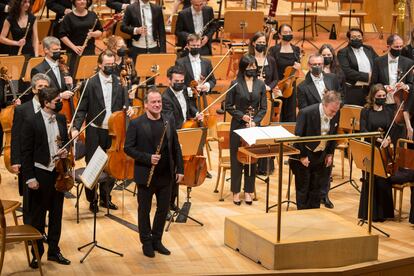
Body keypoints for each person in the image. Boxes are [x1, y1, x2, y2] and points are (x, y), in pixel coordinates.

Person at [124, 87, 184, 258]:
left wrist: (180, 168)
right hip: (146, 174)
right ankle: (146, 242)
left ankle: (157, 240)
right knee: (144, 211)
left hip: (166, 174)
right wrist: (147, 158)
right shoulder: (136, 123)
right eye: (154, 102)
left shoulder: (168, 121)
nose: (157, 105)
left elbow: (175, 147)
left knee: (163, 210)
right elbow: (128, 148)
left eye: (159, 102)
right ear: (146, 105)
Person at [72, 50, 130, 212]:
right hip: (95, 131)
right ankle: (92, 199)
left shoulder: (120, 82)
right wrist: (76, 127)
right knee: (93, 166)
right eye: (108, 65)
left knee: (111, 166)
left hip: (113, 133)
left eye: (113, 64)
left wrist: (129, 108)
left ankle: (106, 197)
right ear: (99, 65)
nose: (111, 67)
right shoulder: (90, 83)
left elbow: (124, 107)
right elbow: (82, 109)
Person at [20, 87, 71, 268]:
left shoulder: (61, 119)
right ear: (46, 103)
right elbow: (25, 153)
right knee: (38, 217)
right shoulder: (31, 121)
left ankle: (54, 251)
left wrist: (66, 152)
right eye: (57, 101)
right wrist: (30, 178)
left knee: (56, 214)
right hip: (40, 173)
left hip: (57, 173)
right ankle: (37, 252)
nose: (60, 103)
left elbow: (64, 142)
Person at [225, 54, 267, 205]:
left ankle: (249, 191)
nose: (252, 69)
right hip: (238, 126)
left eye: (254, 66)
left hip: (253, 127)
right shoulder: (235, 83)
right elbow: (228, 105)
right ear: (243, 68)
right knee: (236, 159)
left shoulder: (260, 85)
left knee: (251, 160)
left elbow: (263, 108)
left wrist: (255, 121)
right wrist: (242, 117)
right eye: (249, 66)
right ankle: (236, 192)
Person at [162, 65, 203, 213]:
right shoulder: (165, 98)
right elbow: (171, 121)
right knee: (170, 174)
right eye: (176, 81)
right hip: (173, 137)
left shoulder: (185, 91)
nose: (180, 83)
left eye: (182, 80)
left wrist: (196, 113)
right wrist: (188, 125)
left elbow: (190, 106)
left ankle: (172, 202)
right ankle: (165, 207)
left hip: (184, 135)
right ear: (169, 80)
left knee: (178, 171)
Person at [290, 91, 341, 210]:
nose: (334, 114)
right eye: (332, 111)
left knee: (317, 188)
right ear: (324, 105)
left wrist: (329, 154)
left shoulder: (336, 113)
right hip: (305, 153)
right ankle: (302, 215)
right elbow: (298, 136)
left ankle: (314, 214)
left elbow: (333, 135)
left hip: (321, 154)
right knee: (304, 188)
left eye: (336, 111)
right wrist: (302, 156)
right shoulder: (306, 113)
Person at [11, 73, 50, 219]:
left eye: (46, 87)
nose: (43, 89)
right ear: (33, 89)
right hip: (28, 160)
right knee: (29, 199)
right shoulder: (22, 110)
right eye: (40, 86)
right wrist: (15, 160)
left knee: (44, 198)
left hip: (45, 160)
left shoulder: (51, 108)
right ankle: (29, 232)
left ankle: (40, 228)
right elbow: (15, 136)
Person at [358, 83, 395, 222]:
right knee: (370, 179)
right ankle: (370, 213)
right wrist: (378, 139)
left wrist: (389, 138)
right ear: (373, 97)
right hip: (370, 147)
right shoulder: (366, 111)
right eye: (379, 96)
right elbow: (363, 130)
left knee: (383, 179)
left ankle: (383, 213)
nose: (382, 98)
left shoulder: (388, 110)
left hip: (384, 149)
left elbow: (391, 130)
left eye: (384, 96)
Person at [371, 34, 414, 143]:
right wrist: (383, 88)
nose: (399, 49)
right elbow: (373, 83)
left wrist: (405, 86)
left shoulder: (408, 62)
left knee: (399, 137)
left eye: (401, 47)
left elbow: (411, 84)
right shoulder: (378, 62)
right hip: (383, 104)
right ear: (388, 46)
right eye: (396, 47)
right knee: (383, 137)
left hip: (399, 106)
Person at [248, 31, 279, 175]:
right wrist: (254, 83)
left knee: (265, 129)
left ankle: (265, 166)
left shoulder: (270, 59)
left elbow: (275, 79)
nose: (261, 44)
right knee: (254, 128)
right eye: (259, 42)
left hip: (267, 97)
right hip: (252, 98)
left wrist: (268, 87)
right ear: (253, 43)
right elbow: (241, 78)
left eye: (263, 42)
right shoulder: (248, 59)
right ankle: (251, 163)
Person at [59, 0, 103, 76]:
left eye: (84, 0)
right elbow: (62, 35)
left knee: (89, 74)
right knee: (73, 74)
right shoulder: (69, 17)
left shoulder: (92, 15)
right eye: (79, 0)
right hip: (73, 51)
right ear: (74, 2)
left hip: (89, 50)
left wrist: (93, 34)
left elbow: (100, 30)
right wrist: (74, 47)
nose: (82, 1)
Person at [269, 23, 301, 122]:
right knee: (277, 110)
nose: (288, 34)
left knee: (290, 110)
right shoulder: (274, 50)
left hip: (291, 84)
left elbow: (297, 67)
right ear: (279, 35)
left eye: (290, 32)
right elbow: (272, 69)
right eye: (285, 32)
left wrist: (298, 67)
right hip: (278, 84)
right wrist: (275, 85)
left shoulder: (296, 50)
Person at [337, 28, 378, 106]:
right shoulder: (343, 52)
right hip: (354, 90)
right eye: (354, 37)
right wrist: (367, 76)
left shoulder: (369, 49)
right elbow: (347, 71)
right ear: (348, 39)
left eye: (359, 36)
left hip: (370, 88)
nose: (357, 39)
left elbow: (378, 62)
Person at [175, 33, 216, 108]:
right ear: (188, 45)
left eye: (198, 45)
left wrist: (206, 86)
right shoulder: (180, 62)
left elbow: (212, 80)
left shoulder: (207, 62)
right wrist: (191, 90)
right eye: (193, 45)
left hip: (203, 99)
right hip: (187, 99)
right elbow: (177, 83)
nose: (196, 47)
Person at [31, 36, 74, 101]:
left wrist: (71, 84)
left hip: (65, 106)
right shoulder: (38, 70)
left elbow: (68, 89)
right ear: (46, 50)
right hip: (49, 107)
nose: (58, 51)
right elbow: (41, 94)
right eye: (55, 49)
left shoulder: (63, 66)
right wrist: (60, 96)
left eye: (59, 49)